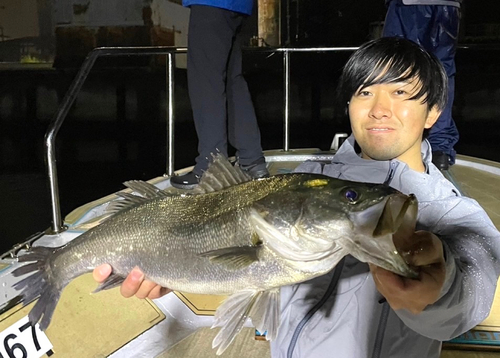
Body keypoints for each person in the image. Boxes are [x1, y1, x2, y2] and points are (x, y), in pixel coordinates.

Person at [94, 38, 500, 357]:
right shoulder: (303, 181)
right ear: (349, 105)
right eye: (364, 93)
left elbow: (472, 288)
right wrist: (171, 266)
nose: (379, 109)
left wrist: (439, 288)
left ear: (433, 113)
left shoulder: (456, 213)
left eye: (400, 93)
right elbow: (245, 265)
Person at [169, 0, 269, 190]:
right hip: (238, 6)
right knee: (232, 80)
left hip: (211, 3)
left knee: (206, 81)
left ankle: (211, 166)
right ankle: (252, 161)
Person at [382, 0, 462, 170]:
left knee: (398, 67)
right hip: (448, 6)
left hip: (409, 5)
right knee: (442, 72)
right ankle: (440, 150)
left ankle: (397, 141)